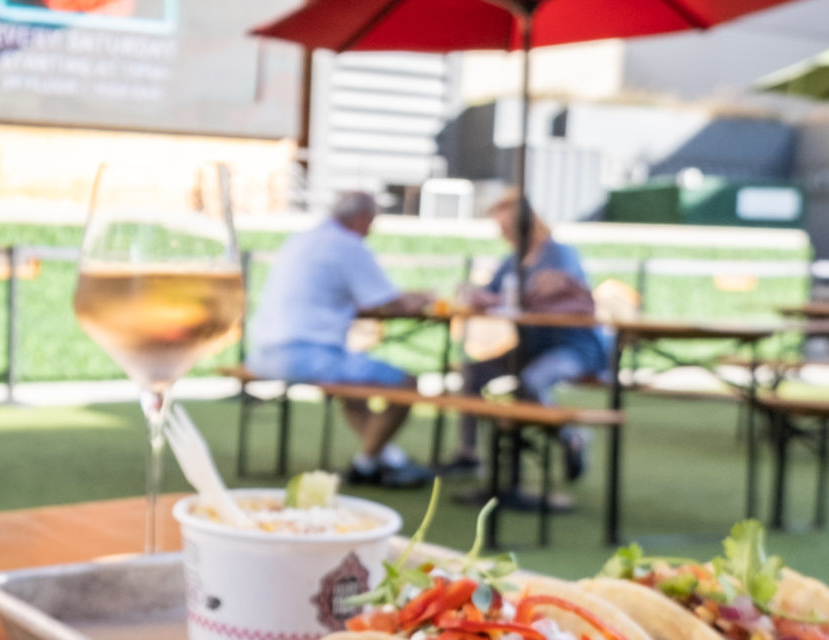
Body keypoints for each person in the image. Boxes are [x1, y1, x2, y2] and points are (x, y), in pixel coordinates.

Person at [246, 190, 440, 488]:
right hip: (305, 355)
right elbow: (386, 303)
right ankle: (366, 465)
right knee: (407, 384)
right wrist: (422, 298)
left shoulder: (302, 239)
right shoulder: (346, 245)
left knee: (352, 391)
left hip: (263, 352)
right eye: (373, 220)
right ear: (362, 217)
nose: (372, 228)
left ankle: (387, 458)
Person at [440, 193, 612, 486]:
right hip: (530, 347)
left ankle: (571, 436)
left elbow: (557, 291)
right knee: (473, 373)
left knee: (531, 381)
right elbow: (496, 295)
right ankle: (468, 454)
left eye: (506, 225)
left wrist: (503, 298)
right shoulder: (512, 260)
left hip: (573, 347)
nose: (503, 232)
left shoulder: (559, 254)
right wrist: (477, 294)